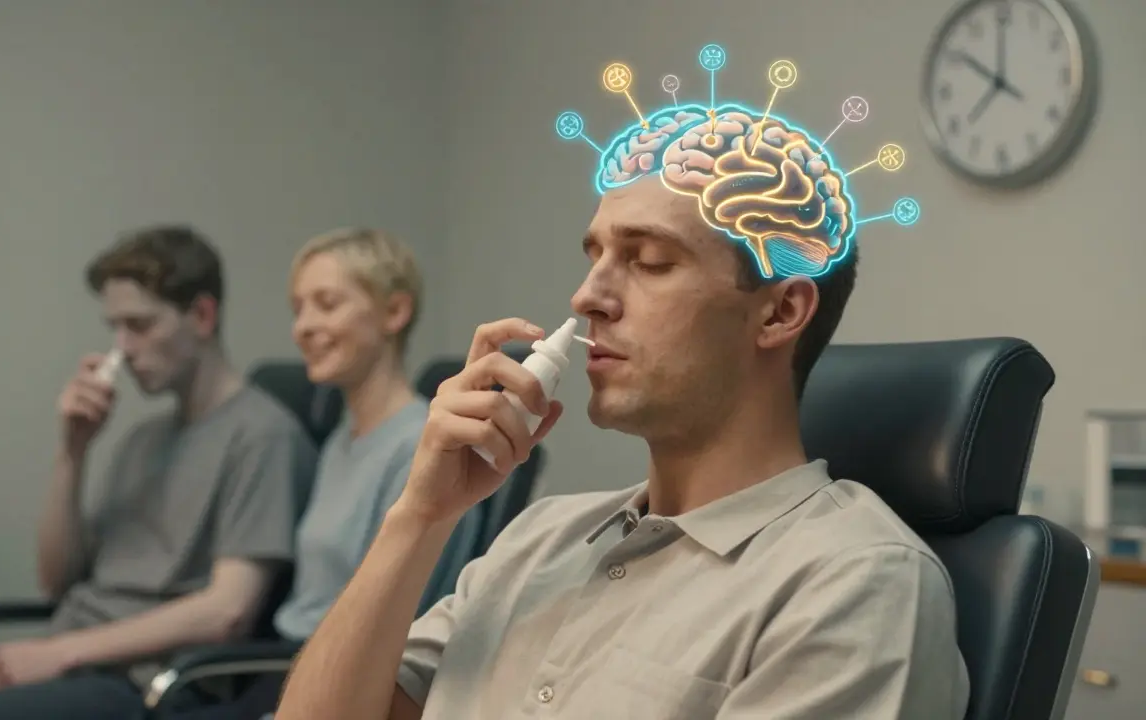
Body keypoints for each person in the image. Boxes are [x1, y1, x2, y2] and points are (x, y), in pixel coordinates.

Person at [272, 109, 971, 718]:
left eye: (650, 262)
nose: (587, 297)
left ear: (780, 311)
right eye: (596, 255)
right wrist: (418, 518)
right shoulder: (536, 540)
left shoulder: (851, 582)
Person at [0, 226, 313, 719]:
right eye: (114, 328)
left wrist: (60, 653)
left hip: (139, 683)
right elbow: (56, 581)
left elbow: (227, 612)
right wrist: (73, 451)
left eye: (139, 326)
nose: (121, 350)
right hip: (71, 656)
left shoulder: (262, 435)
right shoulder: (145, 439)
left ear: (203, 315)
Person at [164, 227, 431, 720]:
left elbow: (394, 626)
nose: (303, 326)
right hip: (278, 664)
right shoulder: (338, 439)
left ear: (395, 312)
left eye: (326, 304)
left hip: (329, 680)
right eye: (298, 309)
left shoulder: (417, 447)